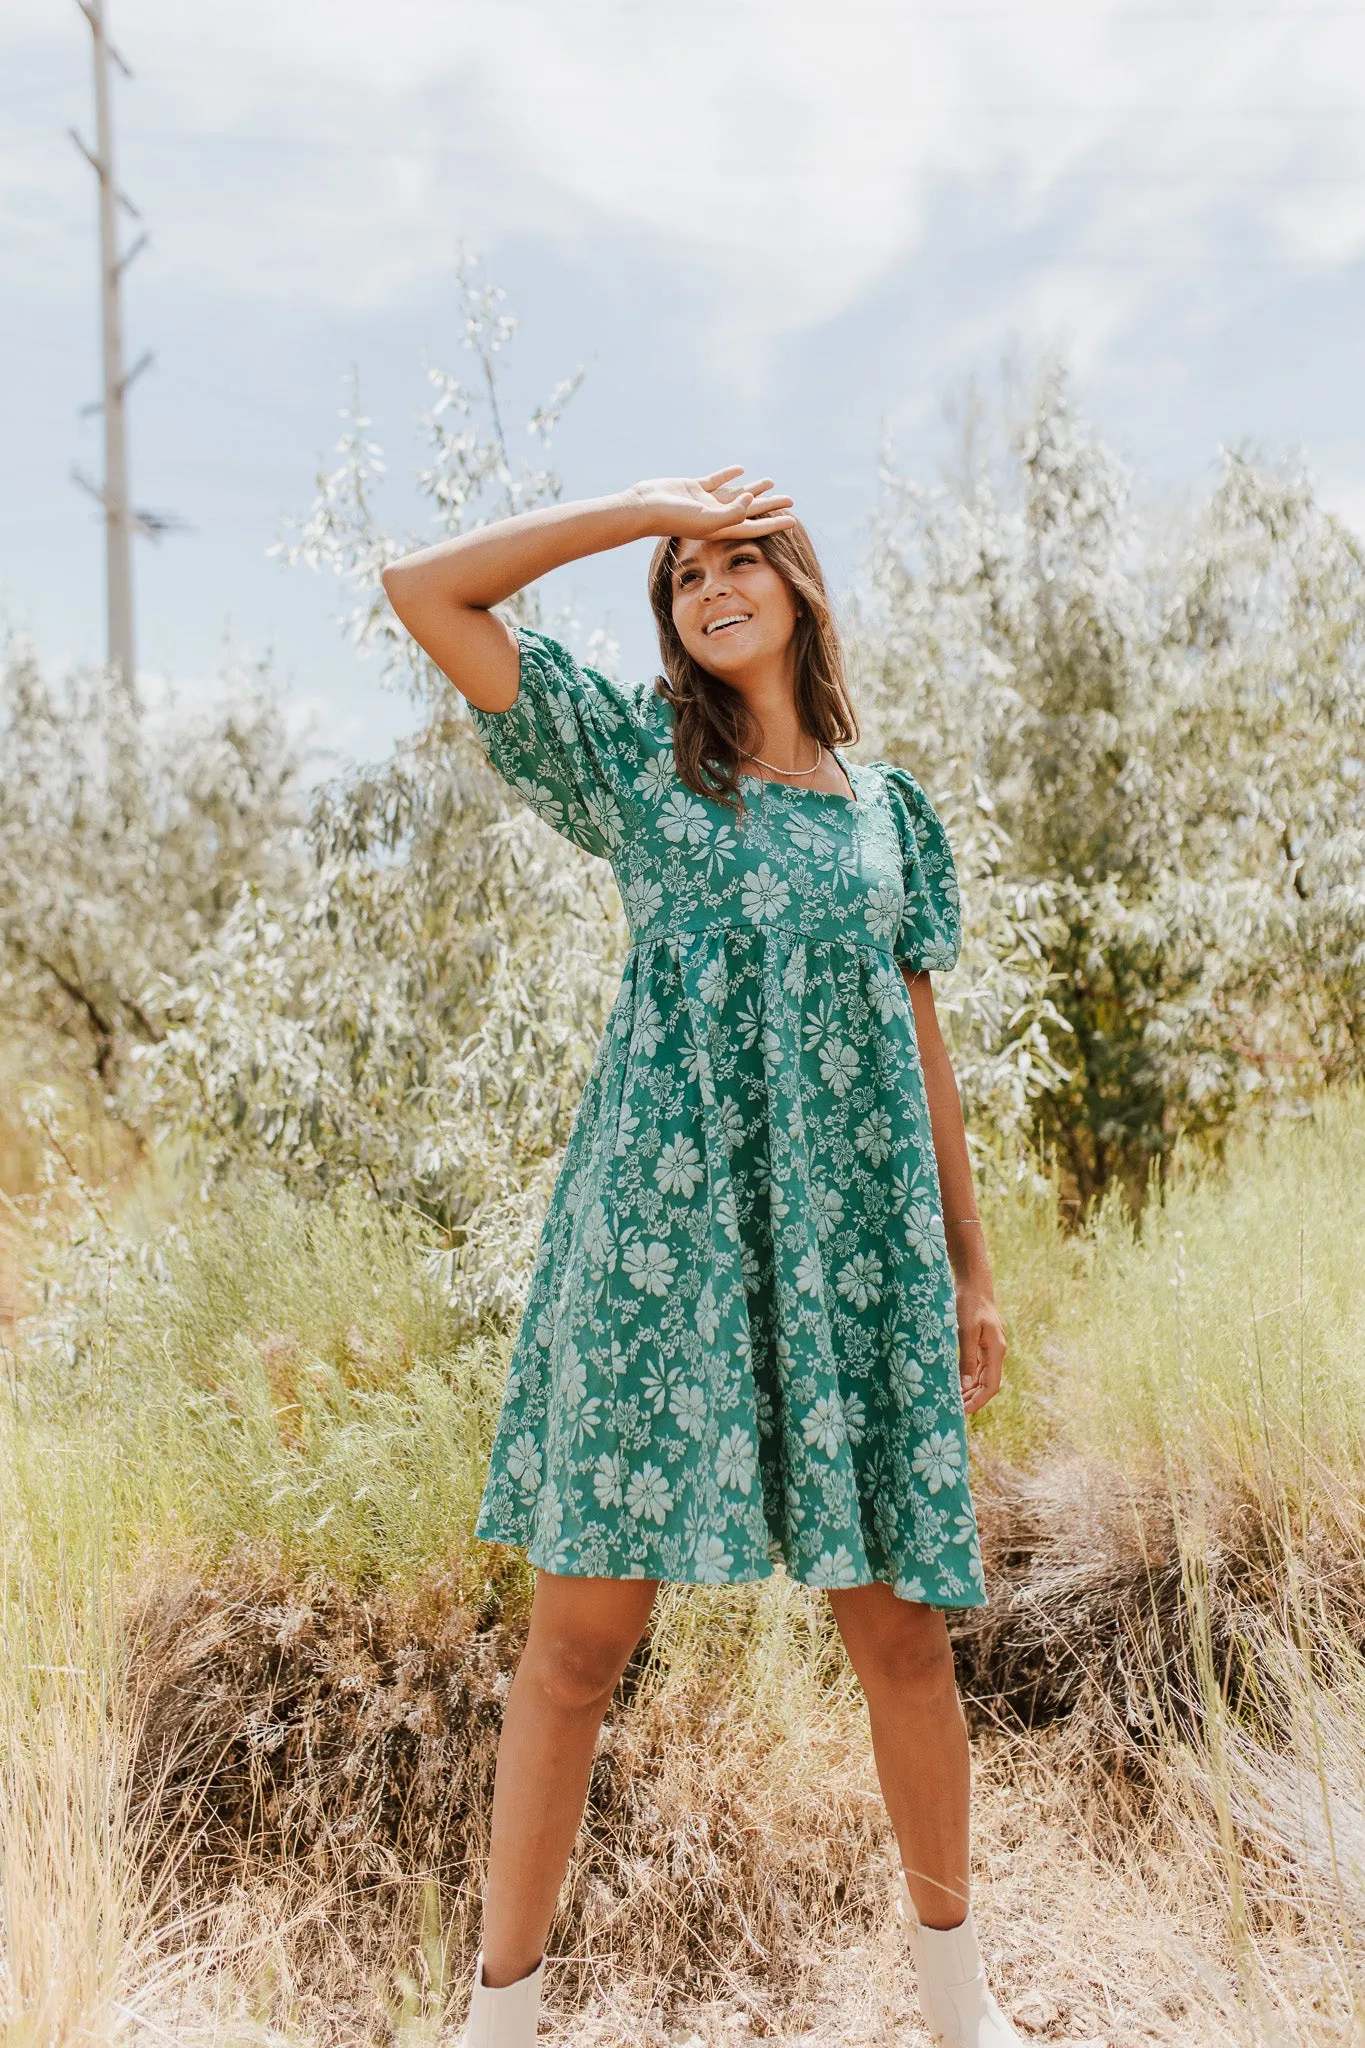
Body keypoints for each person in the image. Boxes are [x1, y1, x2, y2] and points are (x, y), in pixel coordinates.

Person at [381, 471, 1021, 2048]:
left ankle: (960, 2010)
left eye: (744, 558)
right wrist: (643, 503)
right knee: (579, 1646)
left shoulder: (892, 816)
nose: (712, 583)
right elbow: (424, 591)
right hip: (657, 1257)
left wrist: (970, 1262)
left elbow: (921, 1040)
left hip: (858, 1260)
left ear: (801, 589)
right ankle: (500, 2023)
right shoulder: (635, 770)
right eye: (684, 574)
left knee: (902, 1636)